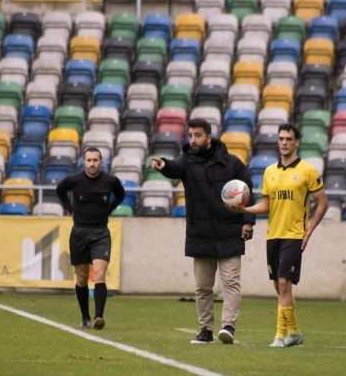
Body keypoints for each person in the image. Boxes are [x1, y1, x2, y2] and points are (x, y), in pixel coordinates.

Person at [150, 118, 255, 345]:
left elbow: (248, 193)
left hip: (229, 230)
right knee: (202, 287)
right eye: (191, 135)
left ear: (208, 137)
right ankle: (205, 330)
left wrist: (248, 222)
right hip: (201, 232)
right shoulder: (187, 161)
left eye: (197, 135)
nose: (193, 140)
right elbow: (175, 167)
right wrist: (164, 165)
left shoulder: (232, 164)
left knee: (231, 283)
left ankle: (228, 326)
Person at [234, 124, 328, 348]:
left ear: (296, 142)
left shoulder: (307, 171)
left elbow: (323, 203)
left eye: (288, 139)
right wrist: (245, 210)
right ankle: (294, 332)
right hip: (273, 235)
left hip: (294, 235)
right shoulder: (269, 172)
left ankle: (279, 336)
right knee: (280, 287)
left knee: (284, 283)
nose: (284, 143)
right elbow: (267, 203)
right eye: (281, 139)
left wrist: (309, 230)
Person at [56, 147, 125, 330]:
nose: (92, 163)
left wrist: (109, 208)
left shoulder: (110, 181)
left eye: (96, 160)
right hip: (79, 233)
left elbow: (121, 194)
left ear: (101, 162)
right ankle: (85, 316)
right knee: (82, 277)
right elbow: (60, 190)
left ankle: (99, 316)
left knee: (100, 274)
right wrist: (69, 207)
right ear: (84, 162)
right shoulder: (74, 181)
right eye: (89, 160)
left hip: (101, 233)